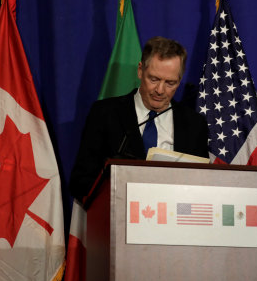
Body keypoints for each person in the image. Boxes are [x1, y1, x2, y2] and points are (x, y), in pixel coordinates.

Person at [70, 36, 209, 201]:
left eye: (170, 83)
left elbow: (203, 185)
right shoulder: (105, 114)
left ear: (179, 81)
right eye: (154, 79)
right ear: (140, 70)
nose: (160, 90)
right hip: (119, 215)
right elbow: (80, 182)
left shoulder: (194, 124)